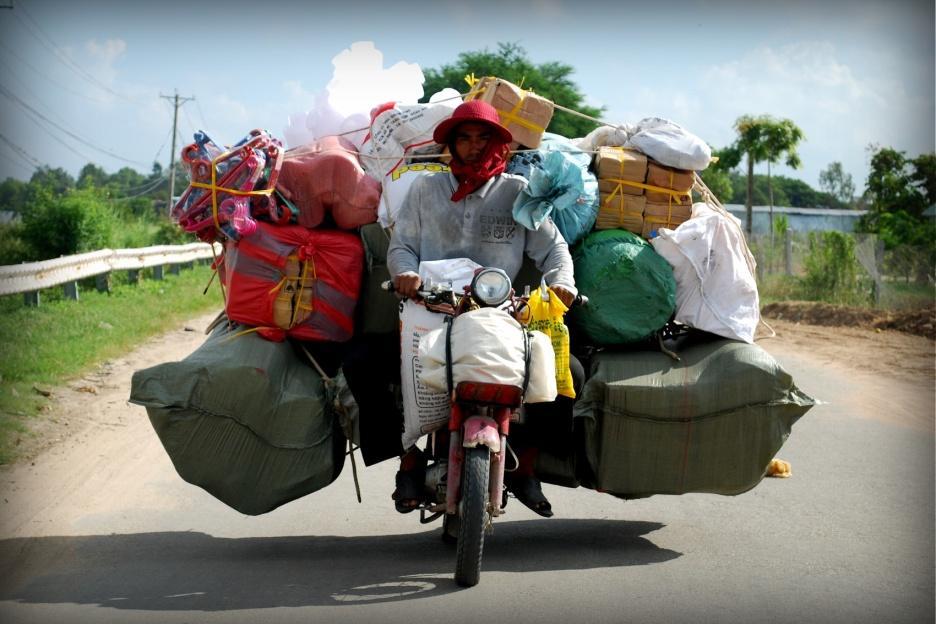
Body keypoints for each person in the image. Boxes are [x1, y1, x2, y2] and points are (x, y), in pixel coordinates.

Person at [387, 99, 579, 517]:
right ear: (452, 146)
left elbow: (554, 249)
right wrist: (405, 274)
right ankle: (409, 461)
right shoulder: (425, 188)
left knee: (564, 373)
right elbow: (401, 246)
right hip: (433, 308)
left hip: (501, 312)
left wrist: (561, 284)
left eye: (482, 138)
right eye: (465, 138)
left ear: (497, 144)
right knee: (372, 363)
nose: (473, 147)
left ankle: (527, 468)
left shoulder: (517, 193)